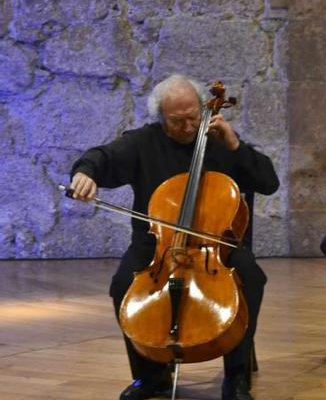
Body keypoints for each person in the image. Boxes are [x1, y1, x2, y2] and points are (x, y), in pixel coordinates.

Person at [68, 74, 279, 400]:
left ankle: (235, 378)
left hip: (217, 247)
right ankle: (151, 377)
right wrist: (85, 173)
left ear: (203, 109)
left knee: (251, 277)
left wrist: (235, 145)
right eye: (176, 121)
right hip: (157, 247)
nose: (187, 127)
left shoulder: (220, 142)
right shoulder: (143, 143)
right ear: (161, 118)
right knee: (123, 284)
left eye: (193, 117)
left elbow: (268, 182)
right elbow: (104, 156)